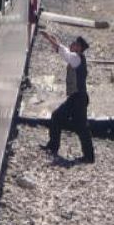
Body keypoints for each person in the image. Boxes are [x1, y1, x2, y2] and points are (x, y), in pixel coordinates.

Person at [39, 30, 95, 163]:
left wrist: (49, 39)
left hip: (78, 98)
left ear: (79, 48)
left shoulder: (76, 58)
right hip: (77, 97)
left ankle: (88, 156)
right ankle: (86, 155)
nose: (72, 45)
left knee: (64, 120)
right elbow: (62, 48)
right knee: (77, 125)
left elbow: (62, 51)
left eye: (75, 44)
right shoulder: (76, 57)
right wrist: (50, 37)